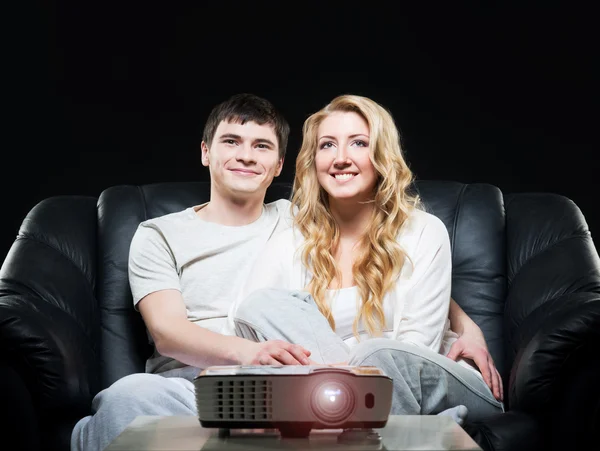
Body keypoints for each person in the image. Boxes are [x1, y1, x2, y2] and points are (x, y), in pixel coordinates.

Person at [71, 93, 501, 451]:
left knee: (357, 363)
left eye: (261, 146)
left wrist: (464, 324)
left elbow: (404, 287)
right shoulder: (163, 232)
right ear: (205, 151)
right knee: (129, 394)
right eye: (231, 141)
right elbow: (171, 332)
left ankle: (349, 398)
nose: (244, 156)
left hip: (309, 377)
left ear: (279, 165)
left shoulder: (289, 218)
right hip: (237, 376)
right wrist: (251, 357)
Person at [232, 94, 504, 423]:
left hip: (430, 379)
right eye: (327, 145)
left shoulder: (423, 231)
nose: (340, 158)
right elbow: (250, 321)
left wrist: (332, 378)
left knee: (375, 353)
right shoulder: (292, 236)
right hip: (333, 398)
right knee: (258, 304)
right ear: (313, 159)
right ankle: (342, 403)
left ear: (381, 155)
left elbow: (420, 346)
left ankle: (338, 401)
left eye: (359, 143)